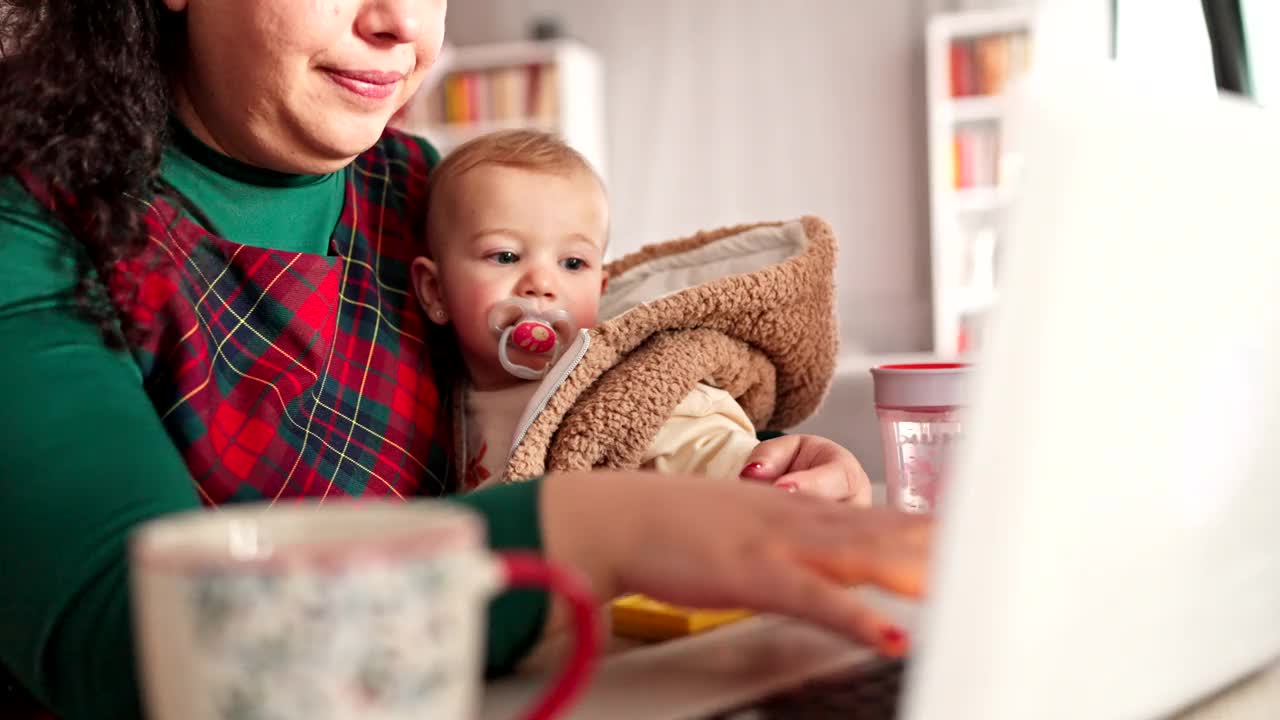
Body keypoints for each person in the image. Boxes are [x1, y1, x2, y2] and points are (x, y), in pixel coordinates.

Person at [0, 2, 929, 719]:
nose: (402, 25)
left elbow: (580, 399)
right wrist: (594, 530)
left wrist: (748, 471)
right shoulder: (29, 219)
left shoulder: (428, 193)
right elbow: (129, 641)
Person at [414, 128, 869, 499]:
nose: (543, 284)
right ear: (435, 291)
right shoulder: (435, 391)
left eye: (573, 263)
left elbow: (704, 449)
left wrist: (762, 476)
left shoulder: (630, 392)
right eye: (506, 256)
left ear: (601, 286)